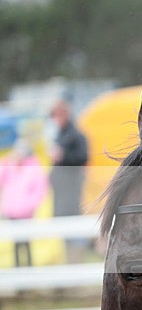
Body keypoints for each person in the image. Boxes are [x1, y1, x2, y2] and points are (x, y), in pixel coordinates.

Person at [48, 99, 89, 262]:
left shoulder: (77, 136)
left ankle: (76, 260)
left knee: (74, 225)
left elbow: (83, 158)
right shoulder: (59, 134)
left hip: (71, 189)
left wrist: (63, 156)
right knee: (63, 227)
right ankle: (68, 260)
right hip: (61, 190)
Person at [0, 138, 49, 266]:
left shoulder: (34, 169)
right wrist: (5, 163)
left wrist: (27, 207)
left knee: (26, 244)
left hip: (26, 214)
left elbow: (39, 192)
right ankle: (19, 276)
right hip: (12, 212)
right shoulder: (11, 167)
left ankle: (29, 272)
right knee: (16, 245)